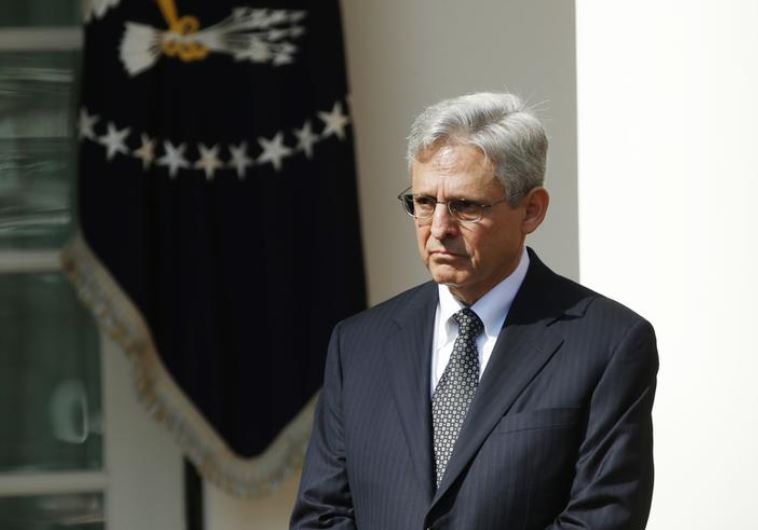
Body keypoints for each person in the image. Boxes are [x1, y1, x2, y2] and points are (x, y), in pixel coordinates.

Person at [290, 92, 658, 530]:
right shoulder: (357, 344)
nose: (439, 229)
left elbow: (601, 519)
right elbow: (322, 515)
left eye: (465, 206)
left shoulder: (609, 343)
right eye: (424, 203)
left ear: (532, 210)